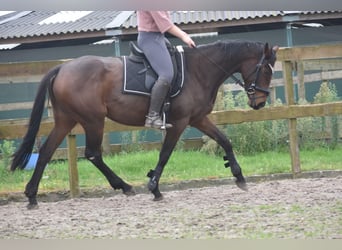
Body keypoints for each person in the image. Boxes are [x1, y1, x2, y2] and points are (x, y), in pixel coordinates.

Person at [137, 11, 196, 129]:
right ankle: (152, 116)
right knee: (167, 74)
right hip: (150, 38)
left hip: (159, 37)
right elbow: (165, 23)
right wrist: (184, 36)